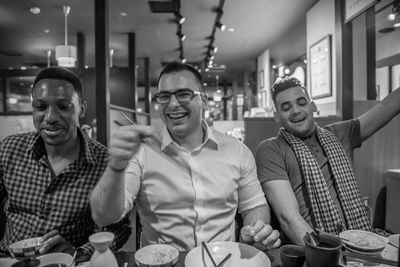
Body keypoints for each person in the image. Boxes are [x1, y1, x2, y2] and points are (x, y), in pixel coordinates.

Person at [90, 62, 280, 251]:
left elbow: (253, 205)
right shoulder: (141, 151)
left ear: (203, 100)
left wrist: (256, 230)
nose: (173, 105)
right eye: (164, 96)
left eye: (183, 94)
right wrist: (114, 167)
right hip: (162, 262)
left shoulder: (237, 151)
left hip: (222, 259)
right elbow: (104, 217)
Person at [0, 67, 131, 258]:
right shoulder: (9, 149)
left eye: (63, 106)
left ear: (82, 109)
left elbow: (119, 229)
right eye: (40, 107)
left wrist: (78, 253)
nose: (51, 117)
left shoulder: (104, 163)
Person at [255, 77, 400, 245]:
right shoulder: (271, 149)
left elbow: (389, 106)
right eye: (286, 107)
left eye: (301, 102)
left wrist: (356, 253)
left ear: (313, 106)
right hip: (313, 251)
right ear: (276, 116)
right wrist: (329, 256)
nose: (295, 110)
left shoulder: (340, 133)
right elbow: (289, 219)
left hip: (360, 243)